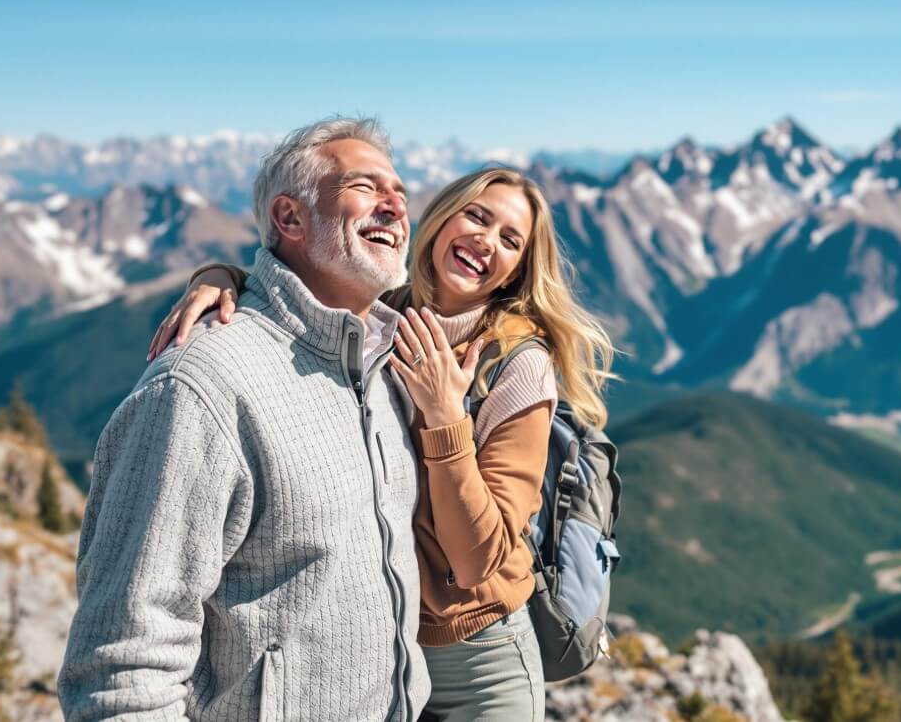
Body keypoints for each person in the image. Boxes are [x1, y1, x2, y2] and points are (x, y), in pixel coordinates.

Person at [152, 165, 614, 721]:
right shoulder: (380, 307)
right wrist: (223, 277)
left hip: (482, 666)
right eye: (477, 216)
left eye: (510, 240)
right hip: (383, 650)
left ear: (518, 269)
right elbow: (297, 295)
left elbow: (475, 563)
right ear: (443, 217)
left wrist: (446, 418)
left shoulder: (518, 365)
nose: (486, 242)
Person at [58, 118, 430, 721]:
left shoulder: (388, 363)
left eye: (400, 194)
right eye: (365, 187)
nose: (394, 206)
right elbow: (124, 661)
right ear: (289, 218)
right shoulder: (200, 386)